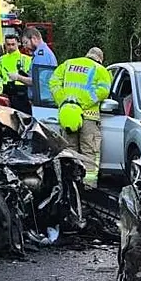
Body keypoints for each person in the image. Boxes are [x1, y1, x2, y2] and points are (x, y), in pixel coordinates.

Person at [48, 47, 112, 188]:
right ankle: (88, 186)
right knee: (89, 150)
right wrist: (83, 103)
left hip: (68, 115)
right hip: (88, 116)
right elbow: (103, 91)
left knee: (70, 151)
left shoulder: (68, 64)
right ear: (100, 59)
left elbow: (53, 82)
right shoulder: (100, 69)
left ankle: (71, 184)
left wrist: (63, 101)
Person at [10, 26, 56, 94]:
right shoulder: (41, 53)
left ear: (34, 38)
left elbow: (36, 81)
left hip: (42, 101)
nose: (25, 46)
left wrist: (18, 77)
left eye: (26, 43)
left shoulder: (42, 56)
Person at [0, 34, 32, 114]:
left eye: (13, 44)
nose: (11, 47)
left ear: (18, 44)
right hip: (6, 92)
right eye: (8, 44)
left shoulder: (26, 59)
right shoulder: (1, 60)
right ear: (5, 45)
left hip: (21, 93)